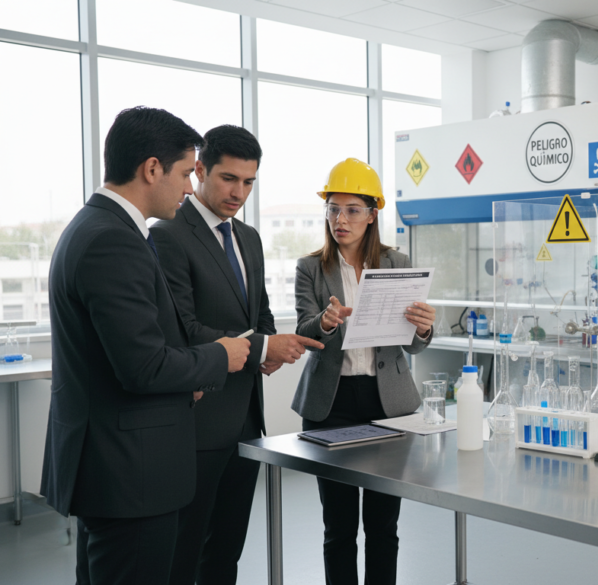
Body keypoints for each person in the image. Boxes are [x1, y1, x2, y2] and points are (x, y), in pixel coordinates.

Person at [42, 106, 250, 585]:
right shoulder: (112, 241)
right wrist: (220, 355)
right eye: (183, 173)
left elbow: (126, 352)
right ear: (151, 168)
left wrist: (186, 382)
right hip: (130, 475)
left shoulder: (97, 228)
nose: (186, 186)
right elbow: (143, 367)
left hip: (114, 469)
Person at [150, 125, 325, 585]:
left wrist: (263, 348)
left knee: (227, 551)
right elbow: (184, 329)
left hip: (246, 418)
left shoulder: (248, 237)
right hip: (198, 421)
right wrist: (263, 348)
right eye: (229, 179)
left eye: (249, 182)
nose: (239, 192)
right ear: (201, 170)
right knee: (185, 552)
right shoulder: (168, 234)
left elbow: (260, 312)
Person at [292, 158, 436, 585]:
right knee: (338, 528)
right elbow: (302, 330)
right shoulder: (311, 267)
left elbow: (411, 341)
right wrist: (325, 322)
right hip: (330, 403)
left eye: (352, 209)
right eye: (334, 209)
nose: (341, 219)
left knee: (382, 525)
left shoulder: (397, 261)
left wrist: (425, 326)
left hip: (386, 401)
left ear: (373, 214)